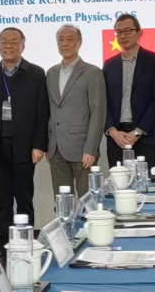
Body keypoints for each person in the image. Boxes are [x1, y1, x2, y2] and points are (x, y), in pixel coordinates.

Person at [0, 27, 49, 266]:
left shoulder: (36, 74)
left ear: (22, 46)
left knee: (24, 201)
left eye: (14, 41)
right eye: (4, 41)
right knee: (3, 203)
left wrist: (39, 145)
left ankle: (25, 247)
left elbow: (42, 112)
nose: (8, 45)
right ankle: (5, 250)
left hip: (25, 147)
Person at [46, 24, 106, 197]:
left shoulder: (92, 72)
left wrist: (91, 149)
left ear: (79, 43)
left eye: (70, 39)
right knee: (62, 202)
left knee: (88, 201)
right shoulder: (51, 73)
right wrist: (48, 144)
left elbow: (98, 112)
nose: (65, 43)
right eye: (61, 40)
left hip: (82, 149)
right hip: (56, 148)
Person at [103, 14, 155, 169]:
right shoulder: (109, 64)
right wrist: (112, 131)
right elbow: (103, 102)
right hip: (117, 139)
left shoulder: (154, 60)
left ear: (139, 33)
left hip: (146, 138)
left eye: (127, 31)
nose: (123, 36)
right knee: (118, 183)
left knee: (147, 183)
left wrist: (137, 132)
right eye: (119, 32)